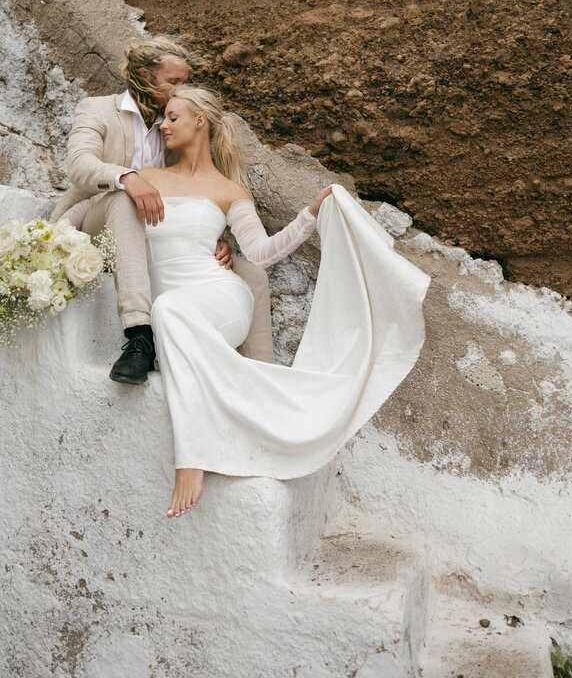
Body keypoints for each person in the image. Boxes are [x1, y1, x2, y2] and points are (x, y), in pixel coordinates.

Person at [137, 85, 430, 519]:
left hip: (220, 298)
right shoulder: (146, 179)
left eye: (172, 117)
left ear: (200, 121)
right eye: (162, 118)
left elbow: (260, 253)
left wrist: (310, 214)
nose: (163, 125)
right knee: (168, 310)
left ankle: (191, 459)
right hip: (174, 307)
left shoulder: (228, 190)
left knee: (169, 310)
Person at [51, 36, 274, 385]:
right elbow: (80, 164)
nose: (179, 91)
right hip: (98, 224)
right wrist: (126, 178)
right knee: (125, 200)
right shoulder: (97, 109)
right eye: (174, 82)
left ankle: (265, 376)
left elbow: (193, 188)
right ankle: (140, 336)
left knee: (253, 277)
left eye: (184, 83)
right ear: (144, 75)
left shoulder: (172, 125)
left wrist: (214, 238)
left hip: (155, 236)